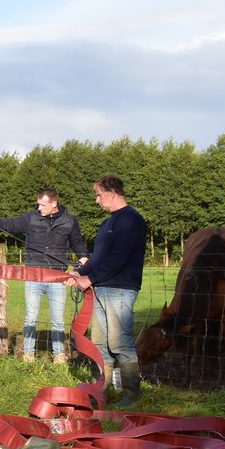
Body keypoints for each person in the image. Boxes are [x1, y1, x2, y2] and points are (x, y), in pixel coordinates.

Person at [0, 187, 89, 363]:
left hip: (57, 278)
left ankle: (59, 355)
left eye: (43, 205)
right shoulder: (31, 217)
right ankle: (28, 354)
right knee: (31, 318)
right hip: (33, 277)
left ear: (54, 204)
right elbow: (8, 224)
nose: (39, 208)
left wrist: (84, 259)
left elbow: (77, 243)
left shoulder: (69, 221)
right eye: (38, 204)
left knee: (57, 321)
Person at [66, 174, 148, 408]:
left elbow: (118, 258)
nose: (97, 200)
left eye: (99, 195)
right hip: (101, 288)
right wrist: (79, 272)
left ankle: (132, 395)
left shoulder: (131, 220)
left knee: (119, 343)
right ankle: (101, 391)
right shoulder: (107, 224)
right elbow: (98, 257)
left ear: (111, 193)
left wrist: (90, 278)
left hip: (120, 289)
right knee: (100, 343)